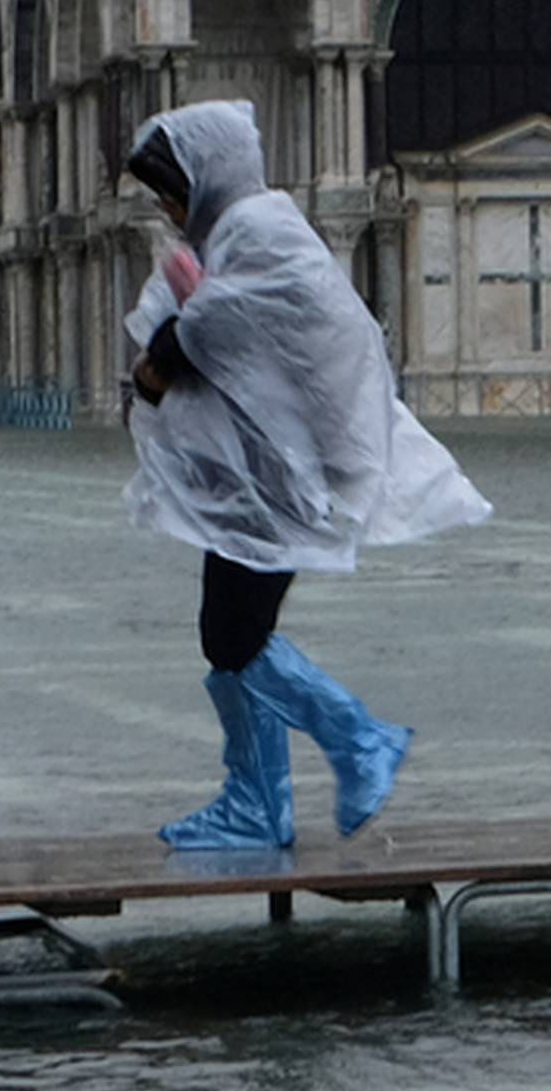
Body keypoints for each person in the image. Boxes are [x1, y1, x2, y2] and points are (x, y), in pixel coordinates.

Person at [123, 100, 490, 852]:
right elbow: (207, 332)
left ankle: (356, 740)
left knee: (231, 639)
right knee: (231, 637)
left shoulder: (261, 233)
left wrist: (169, 344)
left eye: (171, 188)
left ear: (208, 176)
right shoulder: (242, 234)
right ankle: (258, 801)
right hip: (255, 479)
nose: (165, 206)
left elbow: (215, 330)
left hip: (283, 483)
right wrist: (175, 336)